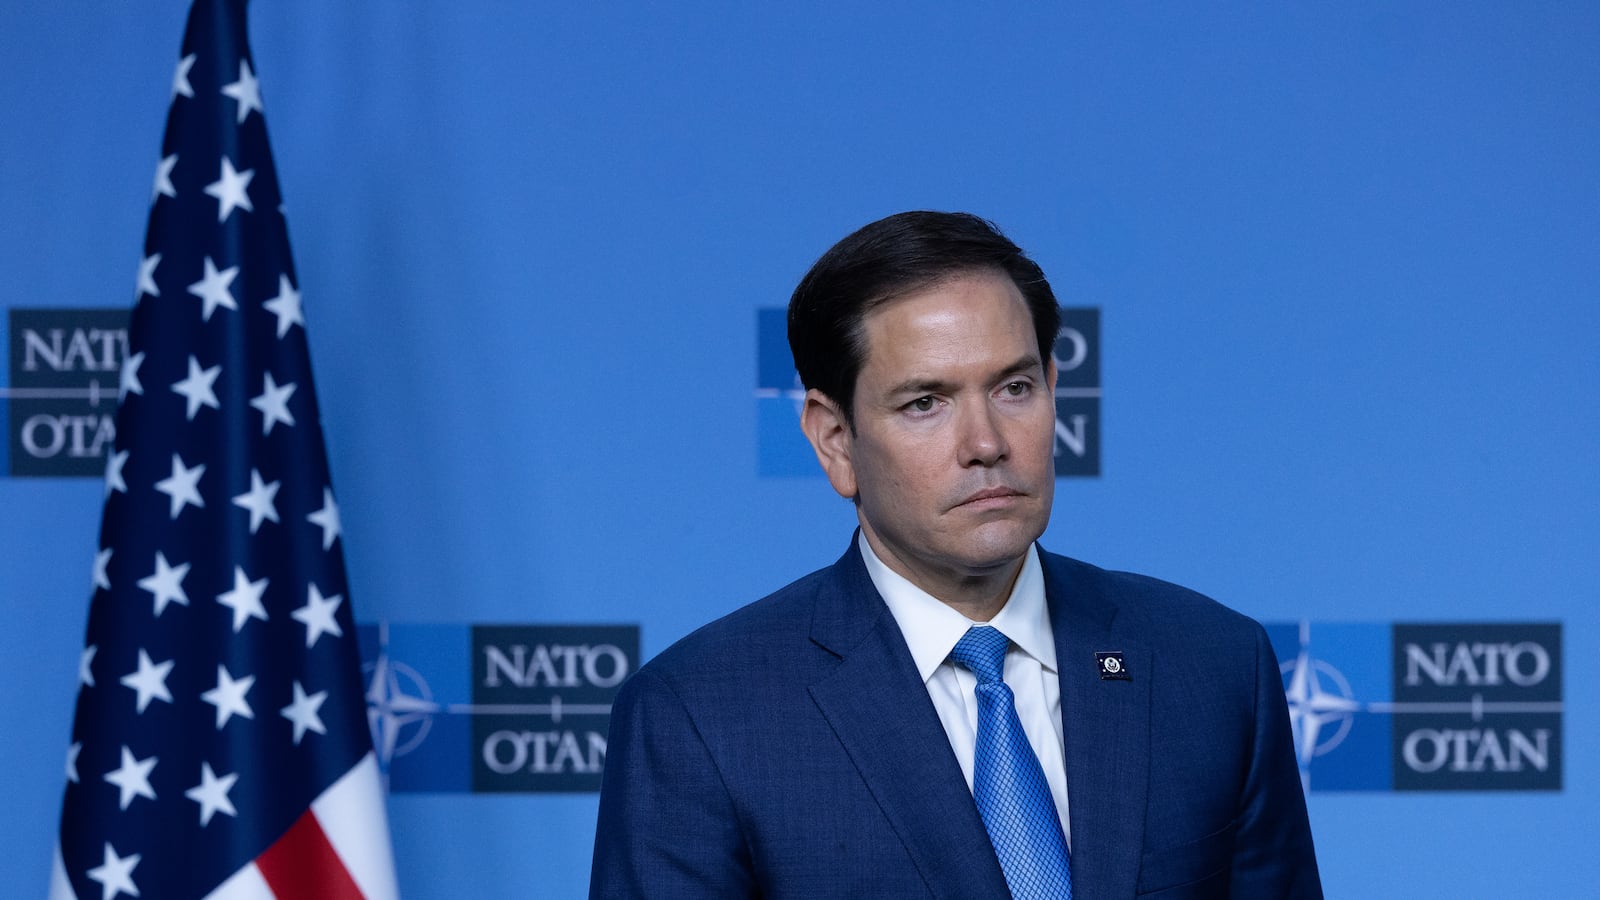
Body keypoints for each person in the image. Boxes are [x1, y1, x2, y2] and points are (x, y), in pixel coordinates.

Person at [590, 211, 1322, 898]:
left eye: (1013, 387)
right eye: (924, 403)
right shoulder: (699, 716)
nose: (986, 444)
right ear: (834, 439)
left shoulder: (1214, 664)